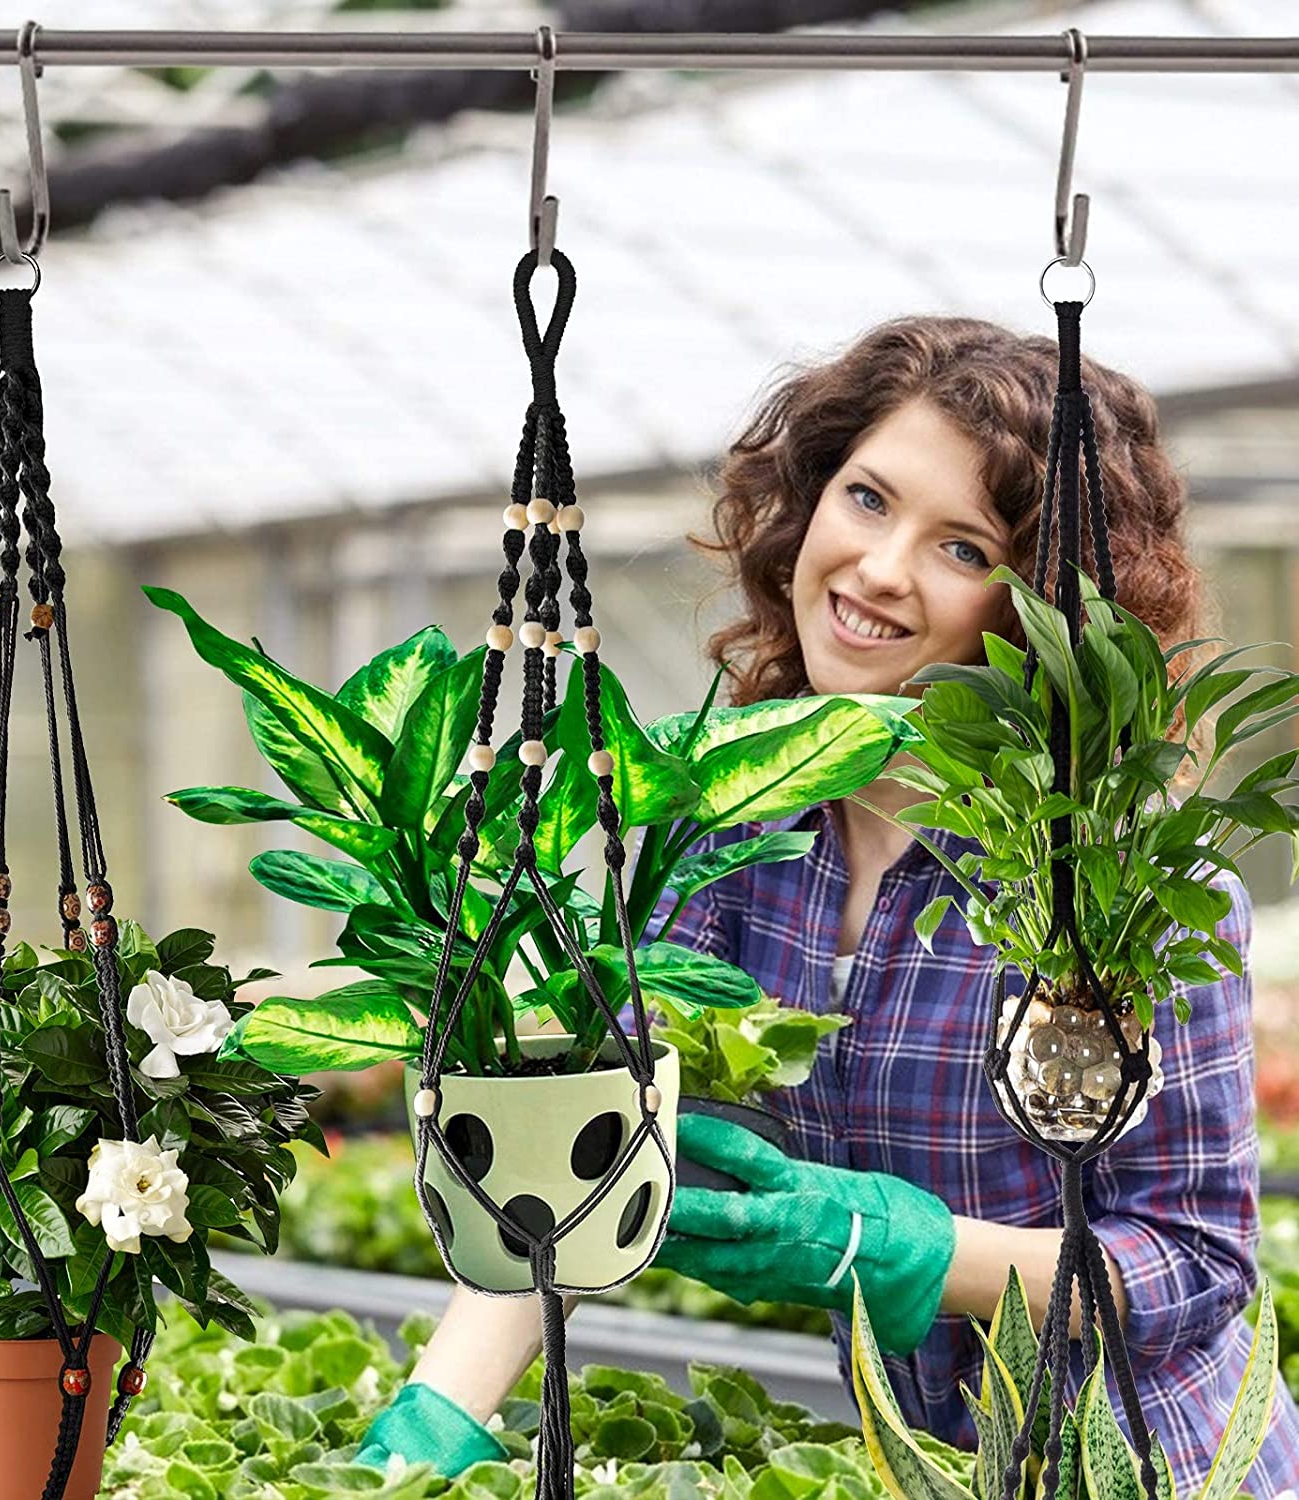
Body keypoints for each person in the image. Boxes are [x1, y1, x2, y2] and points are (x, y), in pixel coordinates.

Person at [356, 316, 1299, 1496]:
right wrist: (435, 1420)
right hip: (908, 1467)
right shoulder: (727, 837)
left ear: (1042, 611)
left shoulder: (1126, 891)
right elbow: (601, 1132)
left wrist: (917, 1249)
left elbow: (1194, 1266)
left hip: (1150, 1470)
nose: (883, 567)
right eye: (867, 499)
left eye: (964, 549)